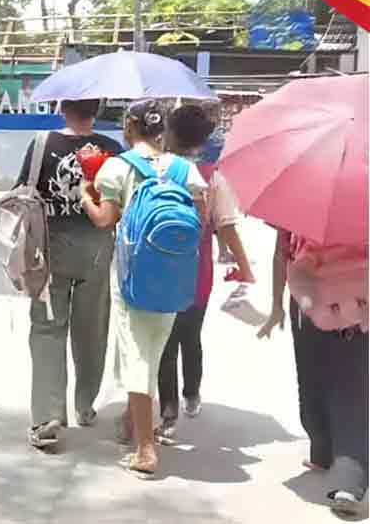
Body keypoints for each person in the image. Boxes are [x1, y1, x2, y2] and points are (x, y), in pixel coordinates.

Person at [82, 101, 207, 478]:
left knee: (137, 355)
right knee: (153, 349)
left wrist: (86, 194)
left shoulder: (117, 167)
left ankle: (145, 449)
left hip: (133, 276)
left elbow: (105, 220)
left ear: (129, 126)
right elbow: (199, 220)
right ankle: (133, 423)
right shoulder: (185, 169)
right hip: (173, 275)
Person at [14, 99, 123, 449]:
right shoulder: (112, 149)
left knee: (47, 329)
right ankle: (85, 404)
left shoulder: (42, 144)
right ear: (98, 108)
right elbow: (121, 203)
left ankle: (48, 417)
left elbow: (22, 194)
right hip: (96, 249)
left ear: (62, 107)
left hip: (49, 251)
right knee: (91, 328)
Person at [156, 105, 255, 441]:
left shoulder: (158, 169)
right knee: (190, 335)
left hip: (158, 268)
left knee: (165, 341)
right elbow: (226, 227)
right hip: (197, 270)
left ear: (169, 133)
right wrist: (245, 267)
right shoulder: (214, 176)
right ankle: (192, 394)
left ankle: (168, 414)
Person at [261, 230, 368, 517]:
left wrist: (276, 306)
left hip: (327, 302)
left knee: (340, 384)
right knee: (315, 380)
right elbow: (281, 251)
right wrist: (275, 306)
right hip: (344, 301)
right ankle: (324, 451)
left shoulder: (303, 193)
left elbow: (281, 253)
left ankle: (349, 477)